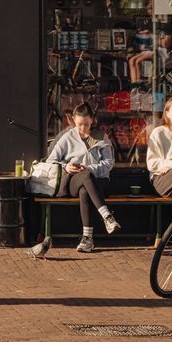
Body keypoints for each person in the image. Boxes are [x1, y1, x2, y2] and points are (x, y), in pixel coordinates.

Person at [46, 102, 120, 253]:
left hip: (100, 182)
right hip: (73, 181)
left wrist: (90, 168)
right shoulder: (67, 137)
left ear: (92, 120)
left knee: (85, 189)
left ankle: (87, 239)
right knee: (85, 177)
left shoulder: (101, 137)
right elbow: (50, 161)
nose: (83, 128)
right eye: (79, 124)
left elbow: (109, 163)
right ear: (73, 120)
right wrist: (66, 167)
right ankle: (107, 216)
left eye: (86, 124)